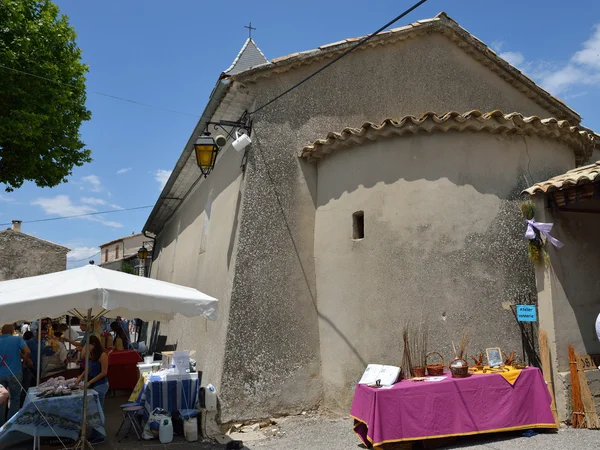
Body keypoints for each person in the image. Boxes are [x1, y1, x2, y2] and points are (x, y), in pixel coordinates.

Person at [0, 324, 31, 425]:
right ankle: (10, 424)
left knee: (0, 400)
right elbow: (27, 351)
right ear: (12, 331)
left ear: (2, 331)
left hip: (0, 374)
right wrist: (24, 362)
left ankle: (1, 424)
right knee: (15, 399)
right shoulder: (17, 339)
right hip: (15, 372)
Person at [76, 335, 108, 406]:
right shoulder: (92, 353)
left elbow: (104, 373)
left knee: (98, 407)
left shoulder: (103, 355)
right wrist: (80, 377)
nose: (86, 348)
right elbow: (89, 368)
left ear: (94, 344)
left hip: (101, 384)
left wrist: (90, 382)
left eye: (88, 345)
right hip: (92, 383)